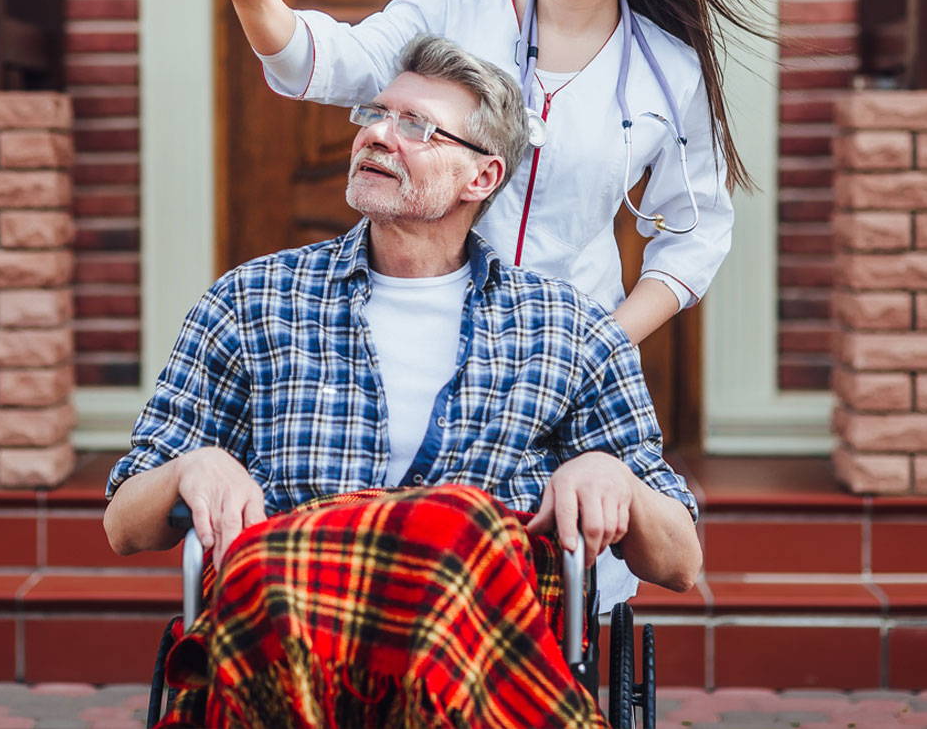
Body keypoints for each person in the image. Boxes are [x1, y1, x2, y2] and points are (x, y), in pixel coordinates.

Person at [160, 0, 758, 610]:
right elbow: (333, 62)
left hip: (553, 374)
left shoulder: (670, 71)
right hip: (418, 329)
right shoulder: (450, 9)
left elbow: (692, 239)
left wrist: (592, 346)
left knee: (538, 586)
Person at [104, 36, 699, 729]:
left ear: (481, 178)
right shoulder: (252, 301)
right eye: (376, 114)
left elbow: (679, 563)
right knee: (453, 524)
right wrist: (193, 468)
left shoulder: (568, 330)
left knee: (462, 528)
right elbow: (124, 525)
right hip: (290, 660)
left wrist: (613, 477)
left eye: (415, 126)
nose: (378, 135)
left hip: (474, 673)